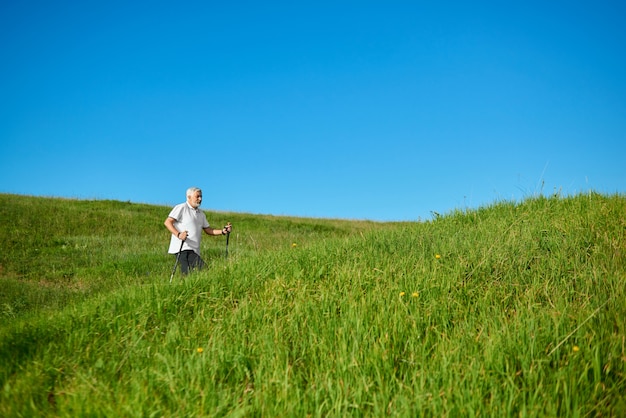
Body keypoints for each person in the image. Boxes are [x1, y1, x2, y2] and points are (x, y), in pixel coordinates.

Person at [164, 187, 232, 275]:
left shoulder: (201, 213)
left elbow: (208, 230)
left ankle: (184, 286)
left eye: (201, 197)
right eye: (197, 196)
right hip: (182, 247)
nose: (200, 199)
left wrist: (223, 231)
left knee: (198, 272)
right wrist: (179, 234)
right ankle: (182, 286)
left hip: (194, 249)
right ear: (189, 197)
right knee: (194, 271)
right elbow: (168, 222)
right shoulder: (181, 208)